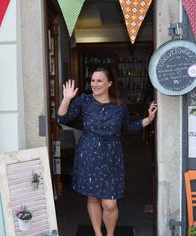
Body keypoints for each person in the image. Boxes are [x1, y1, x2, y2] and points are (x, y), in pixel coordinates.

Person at [57, 67, 157, 236]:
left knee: (110, 203)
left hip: (111, 156)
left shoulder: (119, 105)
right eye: (93, 81)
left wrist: (149, 119)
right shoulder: (84, 100)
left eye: (99, 81)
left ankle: (109, 234)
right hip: (88, 153)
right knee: (93, 197)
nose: (94, 84)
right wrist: (66, 99)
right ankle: (98, 233)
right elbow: (62, 118)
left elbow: (128, 127)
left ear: (109, 83)